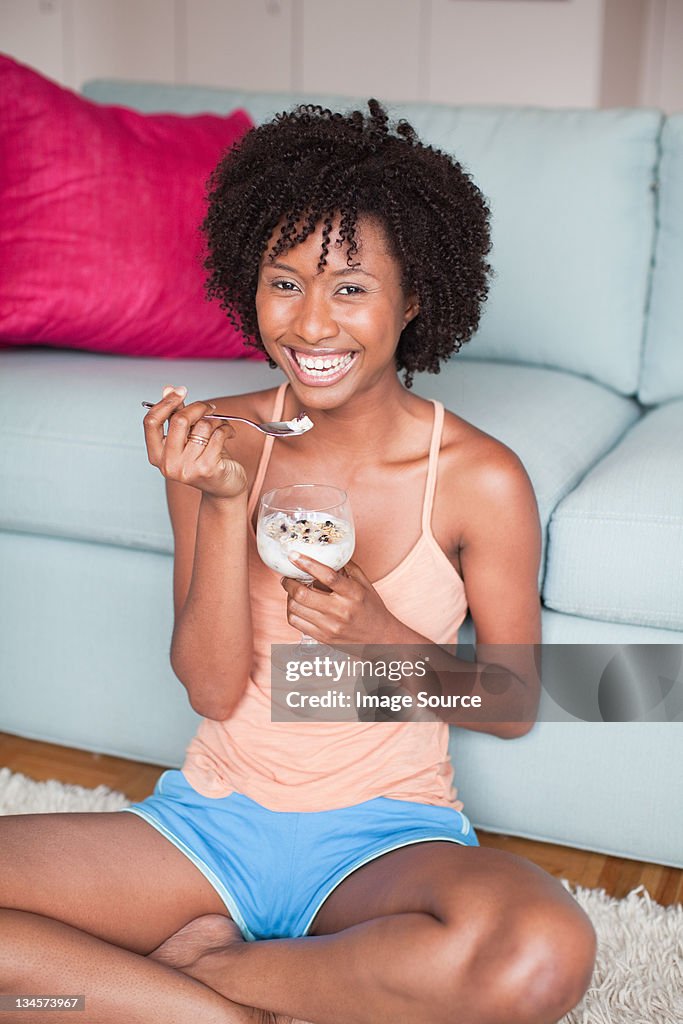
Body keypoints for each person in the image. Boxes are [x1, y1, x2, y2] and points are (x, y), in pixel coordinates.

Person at [0, 100, 596, 1024]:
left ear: (416, 299)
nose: (311, 324)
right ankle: (231, 1009)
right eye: (284, 283)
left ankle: (165, 986)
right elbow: (208, 686)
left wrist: (379, 635)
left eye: (351, 289)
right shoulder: (217, 442)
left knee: (538, 956)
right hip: (208, 829)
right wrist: (227, 501)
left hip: (384, 841)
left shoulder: (481, 481)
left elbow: (513, 704)